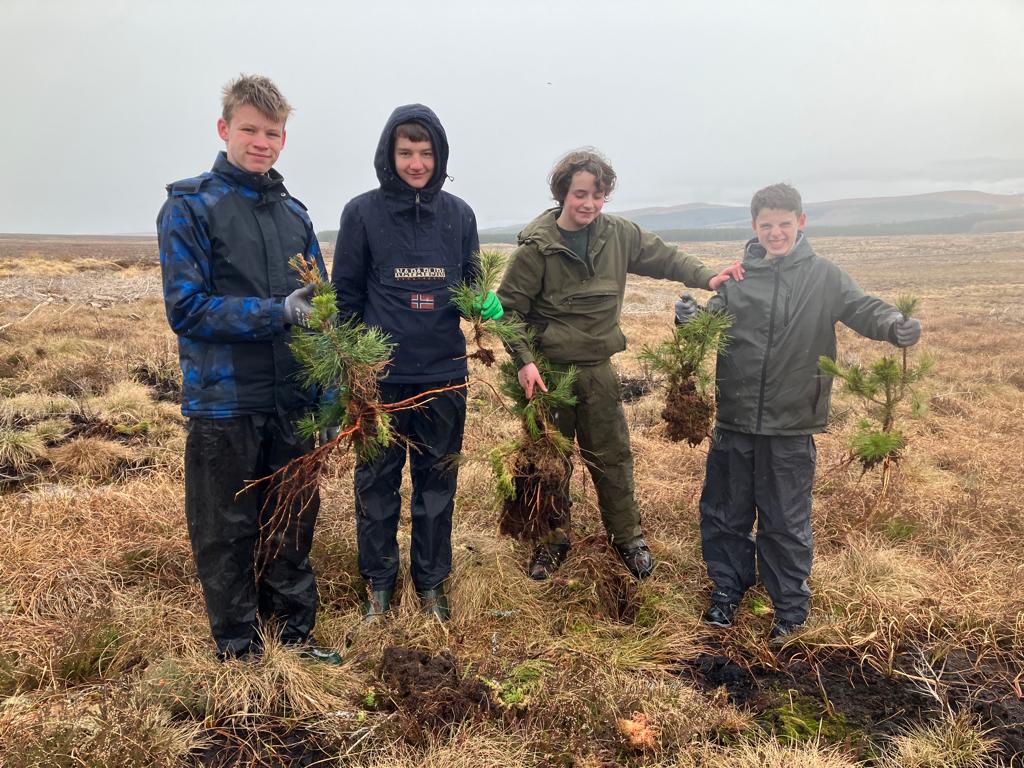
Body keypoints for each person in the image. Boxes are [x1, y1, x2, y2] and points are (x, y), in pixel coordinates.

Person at [683, 182, 921, 640]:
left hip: (792, 423)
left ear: (801, 223)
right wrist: (688, 317)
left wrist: (895, 325)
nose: (776, 233)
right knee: (723, 514)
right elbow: (708, 319)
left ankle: (790, 611)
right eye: (767, 225)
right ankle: (727, 592)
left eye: (784, 224)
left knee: (785, 521)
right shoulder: (737, 279)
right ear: (754, 226)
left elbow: (862, 307)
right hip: (735, 419)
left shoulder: (824, 276)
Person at [497, 148, 744, 581]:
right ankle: (552, 541)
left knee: (613, 458)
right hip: (548, 375)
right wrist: (525, 362)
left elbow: (664, 257)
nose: (589, 204)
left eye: (598, 195)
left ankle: (627, 539)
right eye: (580, 194)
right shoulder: (536, 249)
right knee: (550, 461)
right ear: (562, 194)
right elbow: (508, 312)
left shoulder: (618, 234)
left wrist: (707, 277)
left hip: (598, 370)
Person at [158, 74, 339, 663]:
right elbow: (186, 309)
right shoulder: (191, 206)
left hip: (293, 397)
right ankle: (238, 644)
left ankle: (292, 631)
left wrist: (330, 391)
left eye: (273, 132)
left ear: (284, 139)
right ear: (224, 129)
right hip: (224, 400)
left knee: (291, 518)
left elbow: (321, 309)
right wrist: (274, 313)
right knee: (226, 525)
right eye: (250, 130)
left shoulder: (295, 215)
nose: (261, 142)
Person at [331, 104, 485, 621]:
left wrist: (484, 304)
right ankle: (378, 583)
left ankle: (431, 584)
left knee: (437, 483)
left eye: (425, 152)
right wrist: (352, 374)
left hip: (443, 376)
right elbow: (346, 296)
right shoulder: (362, 213)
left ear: (439, 155)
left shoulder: (459, 215)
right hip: (380, 381)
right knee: (376, 482)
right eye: (405, 152)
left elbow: (472, 285)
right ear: (388, 154)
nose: (416, 163)